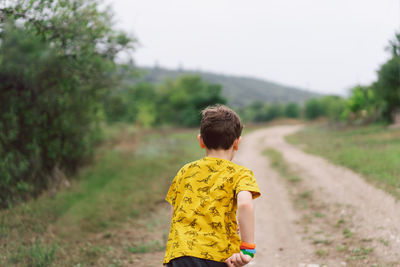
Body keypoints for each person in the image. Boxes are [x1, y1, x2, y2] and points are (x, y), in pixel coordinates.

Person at [163, 104, 261, 267]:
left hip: (180, 254)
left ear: (201, 140)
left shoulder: (185, 171)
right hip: (218, 256)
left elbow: (175, 210)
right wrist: (247, 248)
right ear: (237, 143)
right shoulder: (240, 174)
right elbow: (245, 204)